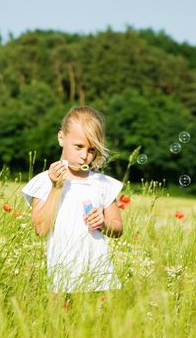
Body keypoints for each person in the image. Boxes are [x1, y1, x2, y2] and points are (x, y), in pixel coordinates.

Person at [21, 106, 123, 293]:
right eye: (79, 147)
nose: (84, 156)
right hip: (62, 278)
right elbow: (41, 229)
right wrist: (56, 187)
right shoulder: (44, 181)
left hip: (99, 278)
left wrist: (104, 222)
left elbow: (117, 228)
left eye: (92, 150)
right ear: (61, 138)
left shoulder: (102, 183)